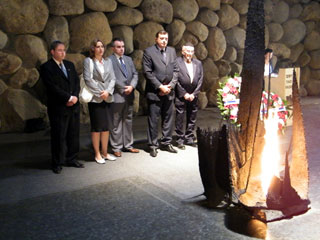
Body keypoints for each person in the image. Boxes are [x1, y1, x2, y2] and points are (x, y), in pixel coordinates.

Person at [40, 40, 84, 174]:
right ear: (52, 52)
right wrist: (68, 98)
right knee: (59, 136)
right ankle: (57, 162)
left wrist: (75, 97)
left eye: (64, 50)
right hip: (59, 107)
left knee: (73, 134)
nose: (63, 52)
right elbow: (52, 87)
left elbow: (76, 83)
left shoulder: (70, 65)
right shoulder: (47, 67)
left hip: (73, 106)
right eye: (59, 50)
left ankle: (72, 158)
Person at [143, 30, 179, 157]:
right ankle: (153, 145)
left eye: (166, 38)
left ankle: (166, 142)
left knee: (168, 118)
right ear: (156, 39)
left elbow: (176, 70)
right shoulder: (149, 52)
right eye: (162, 38)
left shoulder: (172, 51)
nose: (164, 40)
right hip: (155, 92)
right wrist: (160, 86)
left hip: (169, 91)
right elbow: (147, 72)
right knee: (153, 120)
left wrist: (171, 85)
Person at [83, 39, 117, 164]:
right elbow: (88, 79)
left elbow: (113, 78)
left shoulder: (108, 61)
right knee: (97, 127)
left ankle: (105, 152)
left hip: (108, 97)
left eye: (102, 46)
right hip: (95, 99)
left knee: (106, 127)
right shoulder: (88, 61)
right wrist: (100, 93)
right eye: (98, 46)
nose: (101, 49)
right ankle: (97, 153)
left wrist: (107, 92)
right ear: (93, 49)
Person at [109, 38, 139, 157]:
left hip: (129, 94)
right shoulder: (109, 60)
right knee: (115, 122)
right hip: (118, 94)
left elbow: (135, 74)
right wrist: (123, 88)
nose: (121, 49)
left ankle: (128, 145)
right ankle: (116, 147)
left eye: (122, 46)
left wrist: (131, 86)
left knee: (128, 120)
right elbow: (111, 77)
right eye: (118, 47)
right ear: (113, 48)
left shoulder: (128, 59)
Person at [175, 43, 203, 150]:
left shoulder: (198, 63)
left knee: (192, 117)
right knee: (180, 117)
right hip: (182, 95)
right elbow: (175, 79)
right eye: (187, 51)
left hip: (193, 95)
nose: (189, 54)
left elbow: (200, 79)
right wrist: (184, 93)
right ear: (183, 52)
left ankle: (189, 137)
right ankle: (180, 139)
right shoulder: (177, 62)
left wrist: (194, 94)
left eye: (191, 51)